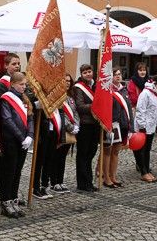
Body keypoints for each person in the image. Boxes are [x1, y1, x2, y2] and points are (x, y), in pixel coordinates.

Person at [0, 72, 34, 218]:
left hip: (23, 141)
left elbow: (30, 118)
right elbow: (7, 120)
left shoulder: (24, 98)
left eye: (25, 84)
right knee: (9, 171)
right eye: (21, 84)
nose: (24, 87)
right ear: (13, 84)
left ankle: (14, 199)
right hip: (10, 140)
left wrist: (30, 135)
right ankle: (5, 202)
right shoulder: (6, 99)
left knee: (17, 171)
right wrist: (21, 137)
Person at [48, 73, 79, 194]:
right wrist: (70, 127)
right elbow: (61, 115)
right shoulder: (57, 97)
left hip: (70, 132)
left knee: (62, 158)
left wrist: (77, 125)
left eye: (69, 81)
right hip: (61, 130)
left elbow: (75, 113)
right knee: (56, 157)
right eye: (65, 81)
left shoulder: (70, 97)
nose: (67, 83)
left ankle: (60, 181)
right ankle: (54, 182)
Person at [103, 67, 131, 188]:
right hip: (111, 125)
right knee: (107, 152)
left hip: (123, 124)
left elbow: (129, 108)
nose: (118, 76)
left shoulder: (124, 90)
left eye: (119, 74)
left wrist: (131, 126)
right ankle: (106, 177)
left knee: (116, 152)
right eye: (115, 75)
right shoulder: (107, 90)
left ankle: (113, 176)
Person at [73, 64, 99, 192]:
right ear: (81, 74)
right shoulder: (78, 88)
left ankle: (88, 181)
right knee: (83, 154)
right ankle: (83, 183)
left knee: (91, 153)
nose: (88, 74)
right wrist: (95, 105)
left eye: (89, 71)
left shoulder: (95, 86)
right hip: (85, 124)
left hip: (95, 124)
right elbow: (79, 106)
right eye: (85, 72)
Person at [135, 76, 157, 182]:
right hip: (143, 127)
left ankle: (147, 170)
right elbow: (140, 110)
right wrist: (142, 126)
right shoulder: (145, 93)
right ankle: (143, 172)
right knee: (141, 150)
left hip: (151, 126)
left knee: (147, 150)